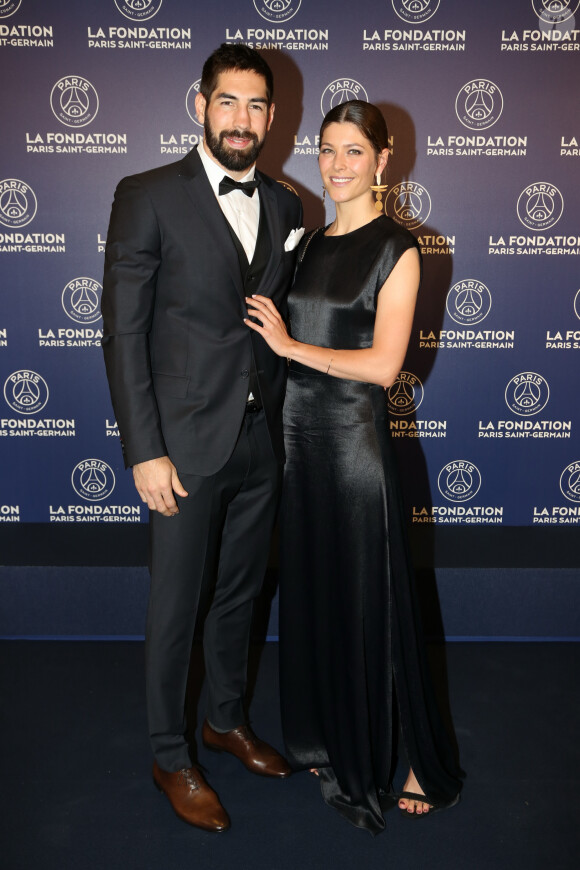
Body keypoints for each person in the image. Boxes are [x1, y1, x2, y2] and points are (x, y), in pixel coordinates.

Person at [101, 43, 303, 833]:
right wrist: (145, 450)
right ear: (200, 105)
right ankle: (169, 754)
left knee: (239, 596)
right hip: (181, 448)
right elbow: (123, 333)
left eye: (257, 106)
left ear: (272, 117)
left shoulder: (288, 206)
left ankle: (225, 720)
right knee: (176, 606)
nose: (242, 120)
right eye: (228, 103)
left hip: (260, 442)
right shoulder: (147, 194)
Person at [244, 100, 462, 834]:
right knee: (315, 593)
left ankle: (411, 762)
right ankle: (328, 735)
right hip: (297, 445)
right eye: (327, 150)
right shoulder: (305, 242)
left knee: (374, 602)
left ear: (384, 157)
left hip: (355, 450)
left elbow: (384, 366)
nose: (336, 165)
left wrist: (292, 350)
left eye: (353, 151)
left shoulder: (400, 247)